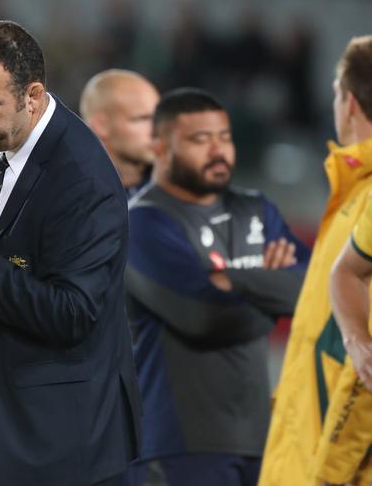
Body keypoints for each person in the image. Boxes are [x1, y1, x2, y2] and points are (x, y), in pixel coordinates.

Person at [0, 19, 141, 486]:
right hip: (17, 429)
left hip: (61, 446)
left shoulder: (81, 179)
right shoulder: (12, 135)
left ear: (32, 96)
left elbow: (72, 313)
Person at [124, 88, 309, 486]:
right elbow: (204, 315)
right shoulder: (141, 224)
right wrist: (275, 292)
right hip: (179, 444)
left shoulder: (255, 209)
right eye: (199, 139)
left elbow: (314, 289)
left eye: (224, 137)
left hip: (260, 438)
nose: (218, 150)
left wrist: (236, 281)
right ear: (158, 147)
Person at [260, 35, 372, 486]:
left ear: (348, 102)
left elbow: (362, 366)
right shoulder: (352, 194)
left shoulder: (363, 201)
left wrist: (329, 474)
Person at [79, 69, 159, 197]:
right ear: (101, 126)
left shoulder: (180, 185)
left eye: (158, 118)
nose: (156, 130)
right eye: (142, 118)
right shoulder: (72, 195)